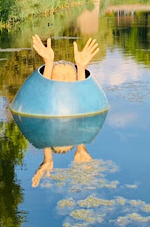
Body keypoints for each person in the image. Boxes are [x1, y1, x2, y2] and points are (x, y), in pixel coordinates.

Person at [29, 34, 100, 186]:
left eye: (69, 76)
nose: (64, 80)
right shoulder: (47, 100)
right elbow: (45, 92)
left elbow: (80, 94)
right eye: (59, 76)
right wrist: (48, 64)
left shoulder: (78, 103)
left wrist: (81, 68)